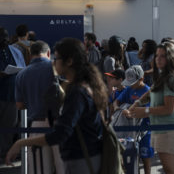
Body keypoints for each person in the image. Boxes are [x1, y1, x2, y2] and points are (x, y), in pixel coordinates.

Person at [6, 37, 108, 174]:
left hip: (81, 158)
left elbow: (61, 133)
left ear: (69, 61)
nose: (53, 62)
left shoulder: (77, 92)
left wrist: (21, 143)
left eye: (57, 58)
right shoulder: (86, 86)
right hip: (87, 155)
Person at [125, 42, 174, 174]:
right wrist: (136, 104)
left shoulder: (171, 79)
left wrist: (145, 111)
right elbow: (151, 92)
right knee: (168, 168)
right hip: (159, 128)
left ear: (170, 58)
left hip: (167, 129)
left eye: (163, 56)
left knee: (170, 168)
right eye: (157, 55)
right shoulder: (162, 76)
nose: (158, 59)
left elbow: (168, 108)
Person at [14, 40, 64, 174]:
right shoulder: (56, 67)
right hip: (60, 123)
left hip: (37, 125)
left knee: (40, 169)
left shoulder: (21, 74)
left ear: (30, 54)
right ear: (48, 53)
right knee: (64, 167)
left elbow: (19, 105)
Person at [113, 65, 154, 174]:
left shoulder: (148, 91)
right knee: (130, 158)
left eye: (133, 82)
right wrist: (119, 109)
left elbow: (148, 111)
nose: (131, 85)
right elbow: (116, 101)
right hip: (130, 131)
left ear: (141, 79)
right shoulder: (129, 89)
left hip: (145, 130)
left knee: (146, 159)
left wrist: (132, 113)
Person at [0, 26, 25, 163]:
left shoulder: (16, 52)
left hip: (11, 96)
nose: (4, 39)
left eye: (5, 36)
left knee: (9, 127)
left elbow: (23, 69)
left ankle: (5, 154)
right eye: (1, 36)